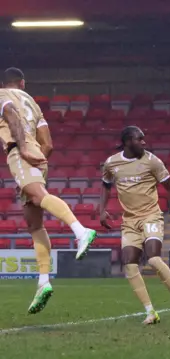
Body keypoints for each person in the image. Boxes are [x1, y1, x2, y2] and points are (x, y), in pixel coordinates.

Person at [0, 82, 97, 314]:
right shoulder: (33, 104)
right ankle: (43, 282)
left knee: (39, 196)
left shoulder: (2, 94)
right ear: (23, 83)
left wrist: (22, 150)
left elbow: (10, 115)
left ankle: (80, 231)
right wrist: (35, 161)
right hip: (38, 154)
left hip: (19, 149)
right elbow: (49, 144)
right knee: (34, 224)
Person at [100, 126, 170, 325]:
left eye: (144, 139)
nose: (144, 142)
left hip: (151, 216)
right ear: (128, 142)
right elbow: (106, 185)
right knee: (130, 264)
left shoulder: (152, 161)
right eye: (139, 139)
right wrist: (101, 210)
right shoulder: (111, 163)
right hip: (129, 221)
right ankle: (150, 312)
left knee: (153, 259)